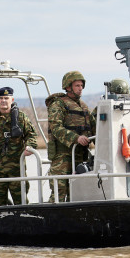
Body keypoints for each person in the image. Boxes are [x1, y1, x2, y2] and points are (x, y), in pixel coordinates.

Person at [0, 87, 38, 205]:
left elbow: (32, 136)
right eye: (0, 98)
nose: (3, 101)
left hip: (16, 168)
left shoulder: (20, 117)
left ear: (12, 99)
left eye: (6, 98)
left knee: (21, 202)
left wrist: (29, 147)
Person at [46, 71, 96, 202]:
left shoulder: (83, 106)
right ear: (68, 87)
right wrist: (76, 138)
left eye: (81, 86)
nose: (80, 88)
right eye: (77, 85)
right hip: (62, 157)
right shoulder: (58, 104)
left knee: (78, 192)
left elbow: (94, 127)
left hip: (80, 156)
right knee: (59, 192)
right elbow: (55, 128)